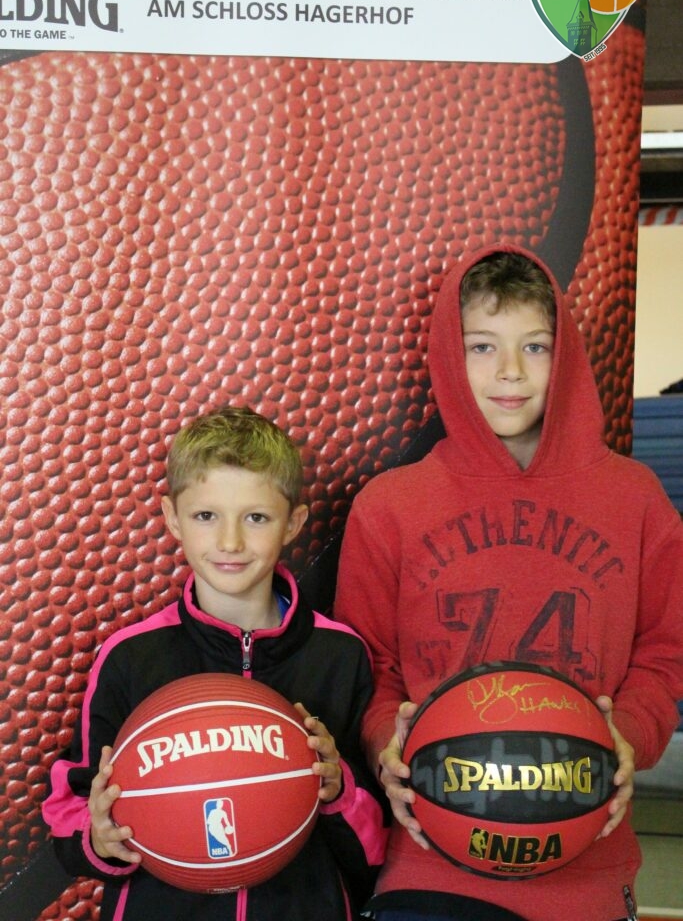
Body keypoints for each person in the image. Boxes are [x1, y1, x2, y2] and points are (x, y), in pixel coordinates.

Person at [334, 246, 683, 921]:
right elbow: (369, 665)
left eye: (535, 346)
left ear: (566, 355)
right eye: (482, 346)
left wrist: (625, 737)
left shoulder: (634, 498)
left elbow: (662, 656)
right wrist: (386, 745)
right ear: (447, 354)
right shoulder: (389, 505)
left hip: (586, 866)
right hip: (430, 869)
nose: (510, 371)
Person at [43, 405, 388, 921]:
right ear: (172, 518)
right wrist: (98, 835)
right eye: (206, 516)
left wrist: (339, 790)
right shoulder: (131, 656)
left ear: (293, 523)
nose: (230, 541)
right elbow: (69, 808)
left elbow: (377, 846)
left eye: (256, 517)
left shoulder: (338, 654)